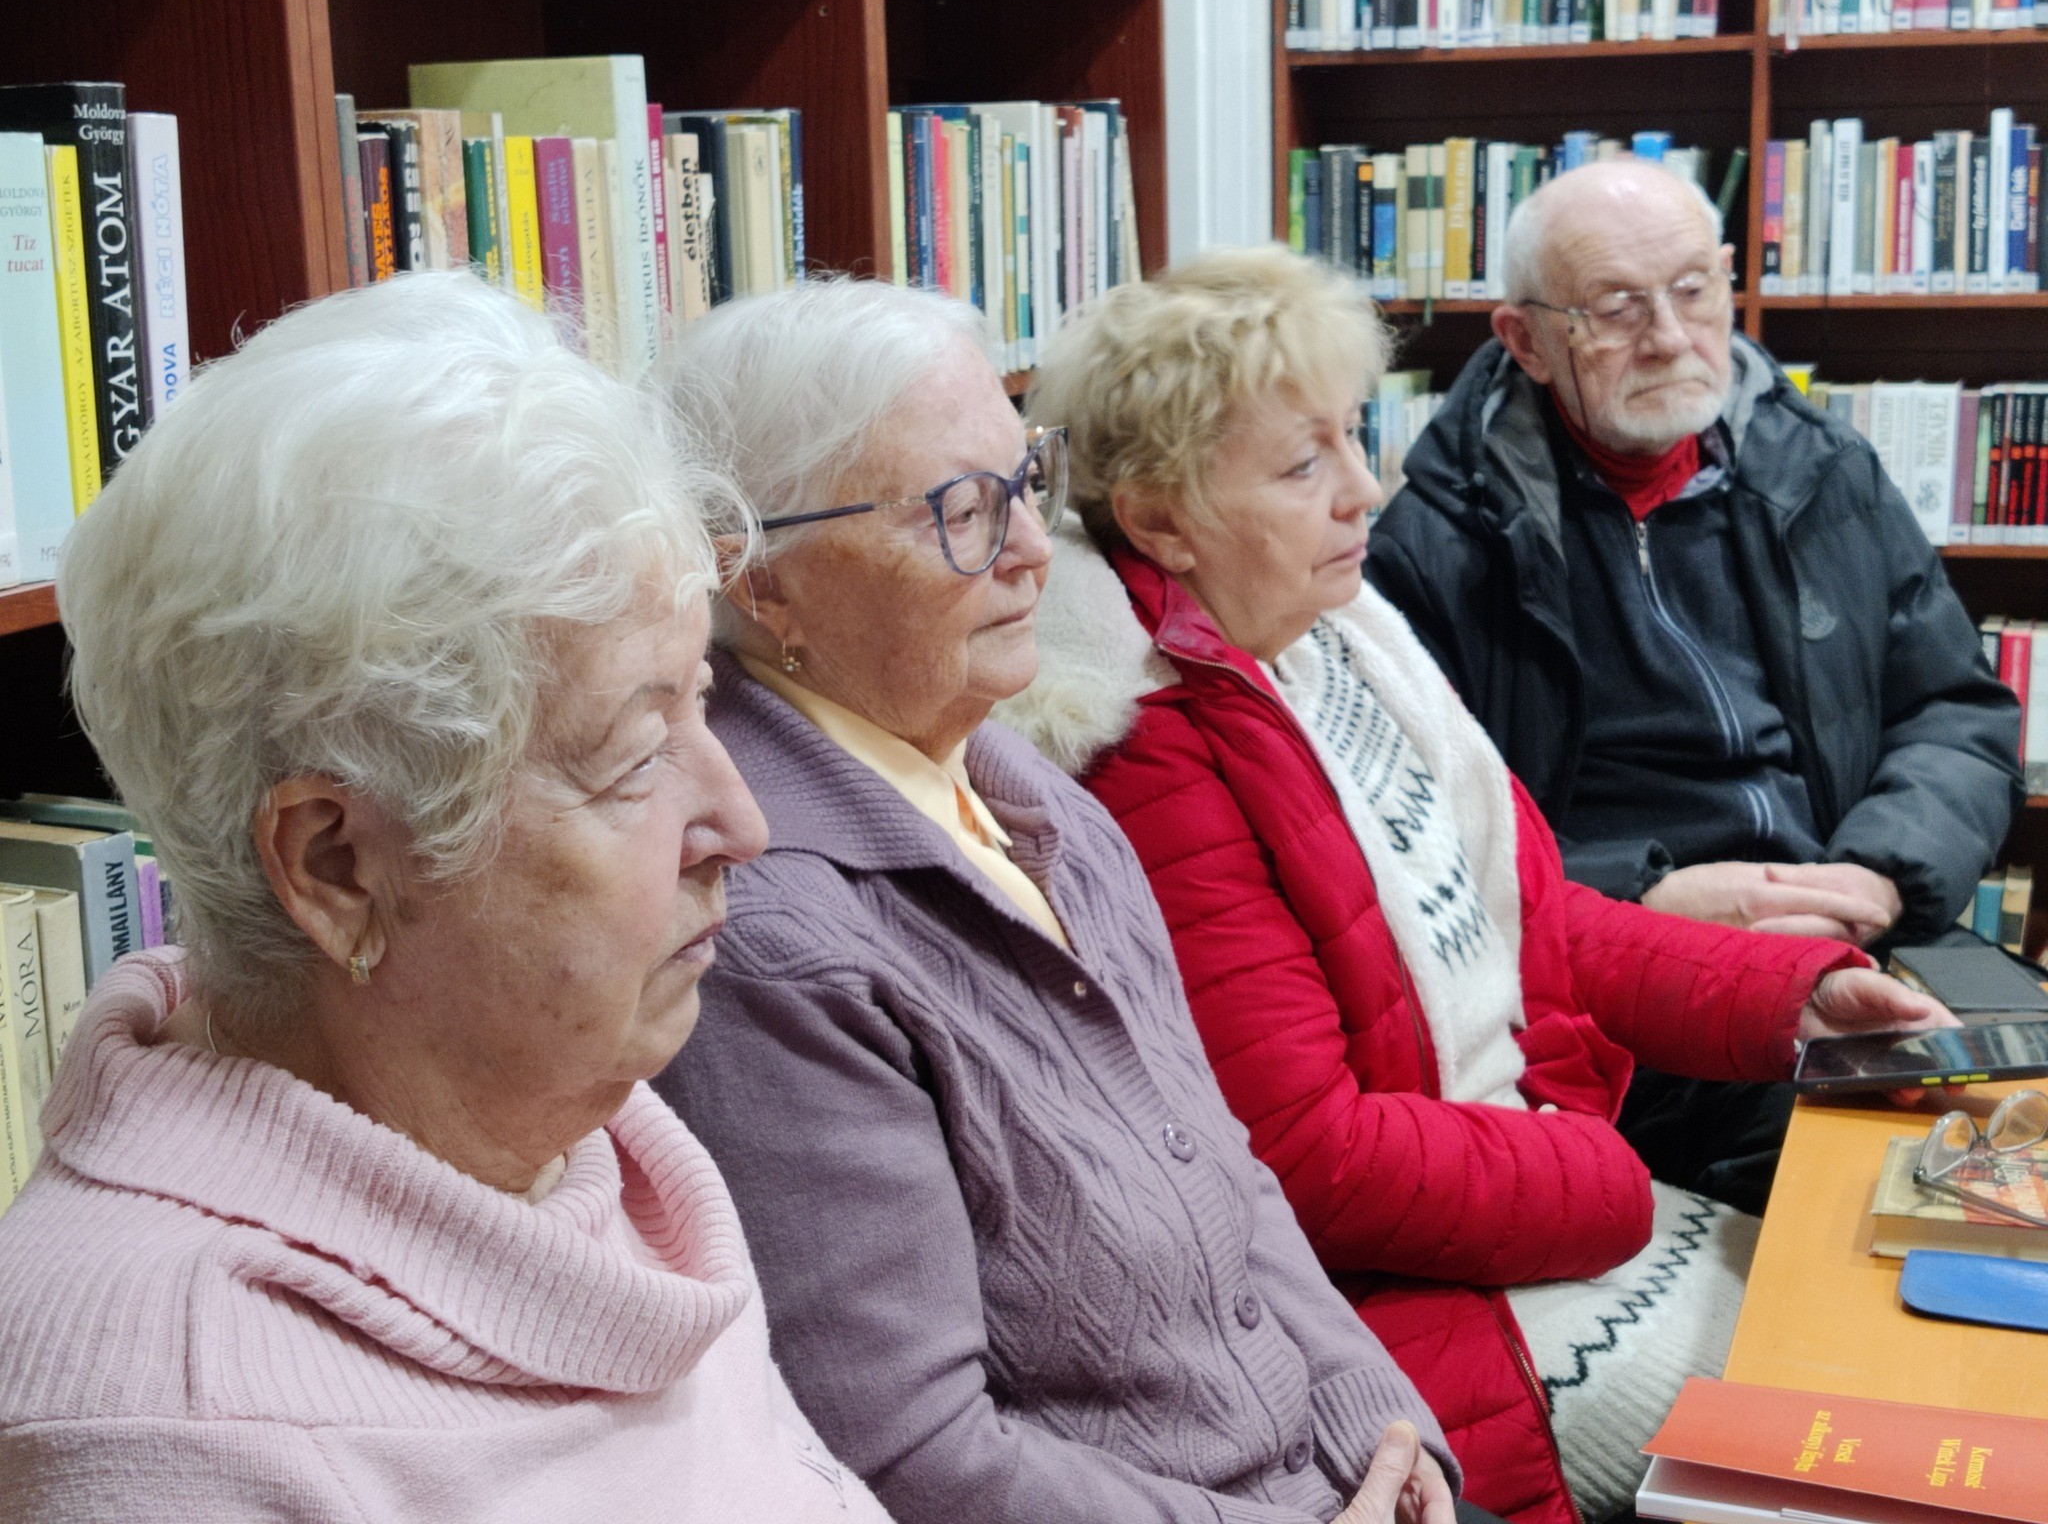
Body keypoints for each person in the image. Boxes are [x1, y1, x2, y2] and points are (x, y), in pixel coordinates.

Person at [997, 245, 1954, 1524]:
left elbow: (1526, 924)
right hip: (1432, 1308)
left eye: (1352, 437)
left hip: (1531, 1200)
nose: (1364, 489)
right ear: (1162, 518)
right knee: (1900, 1429)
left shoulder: (1337, 646)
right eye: (1302, 465)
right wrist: (1600, 1180)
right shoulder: (1154, 757)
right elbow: (1304, 1156)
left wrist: (1791, 999)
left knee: (1910, 1332)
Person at [0, 272, 890, 1523]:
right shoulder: (165, 1426)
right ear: (336, 867)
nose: (743, 824)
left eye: (700, 700)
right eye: (636, 756)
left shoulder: (582, 1133)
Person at [653, 278, 1478, 1524]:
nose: (1036, 549)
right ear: (758, 579)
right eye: (960, 513)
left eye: (1023, 479)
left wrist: (1383, 1426)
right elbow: (913, 1456)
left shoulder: (1027, 788)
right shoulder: (769, 938)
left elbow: (1228, 1173)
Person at [1363, 159, 2021, 1209]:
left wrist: (1879, 873)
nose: (1670, 336)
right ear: (1524, 341)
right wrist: (1648, 899)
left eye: (1692, 290)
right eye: (1616, 308)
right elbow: (1417, 846)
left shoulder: (1822, 467)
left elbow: (1954, 709)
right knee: (1869, 1202)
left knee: (2006, 1143)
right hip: (1633, 992)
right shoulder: (1433, 550)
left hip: (1865, 931)